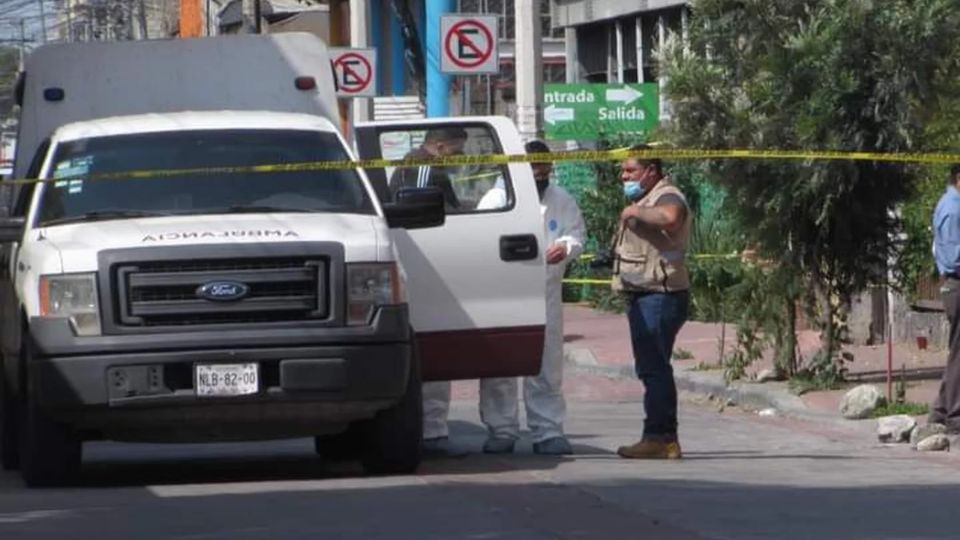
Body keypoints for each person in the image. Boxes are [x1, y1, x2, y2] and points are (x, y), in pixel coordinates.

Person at [477, 139, 586, 455]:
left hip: (545, 293)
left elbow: (576, 233)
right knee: (501, 365)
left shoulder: (561, 199)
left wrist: (565, 246)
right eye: (534, 170)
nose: (541, 176)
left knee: (547, 365)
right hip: (503, 295)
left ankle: (548, 430)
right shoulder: (495, 199)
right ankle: (501, 429)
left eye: (545, 170)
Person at [612, 144, 692, 460]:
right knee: (651, 367)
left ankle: (661, 437)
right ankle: (660, 436)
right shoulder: (645, 196)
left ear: (651, 171)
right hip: (645, 293)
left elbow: (671, 217)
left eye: (630, 170)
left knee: (654, 368)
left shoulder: (667, 195)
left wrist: (635, 212)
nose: (624, 176)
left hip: (660, 295)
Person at [928, 164, 960, 434]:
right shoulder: (953, 209)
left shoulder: (951, 204)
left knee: (956, 351)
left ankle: (940, 410)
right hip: (957, 284)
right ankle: (955, 416)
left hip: (954, 285)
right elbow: (953, 258)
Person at [388, 126, 467, 211]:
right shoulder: (421, 169)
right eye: (456, 152)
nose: (461, 156)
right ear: (440, 148)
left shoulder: (436, 170)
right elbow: (419, 211)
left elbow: (451, 202)